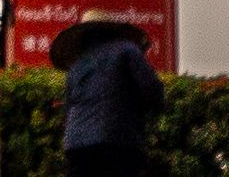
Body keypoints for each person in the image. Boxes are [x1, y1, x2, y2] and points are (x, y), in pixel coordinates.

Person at [56, 15, 164, 177]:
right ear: (113, 31)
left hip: (76, 145)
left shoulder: (77, 66)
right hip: (117, 141)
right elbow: (151, 88)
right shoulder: (127, 50)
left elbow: (68, 109)